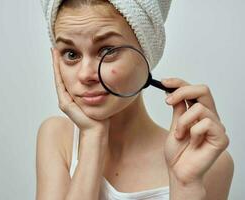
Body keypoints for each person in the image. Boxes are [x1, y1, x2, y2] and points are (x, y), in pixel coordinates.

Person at [36, 0, 234, 199]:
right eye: (71, 54)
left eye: (107, 51)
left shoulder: (207, 162)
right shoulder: (57, 137)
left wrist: (185, 185)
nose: (85, 74)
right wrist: (93, 139)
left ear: (146, 54)